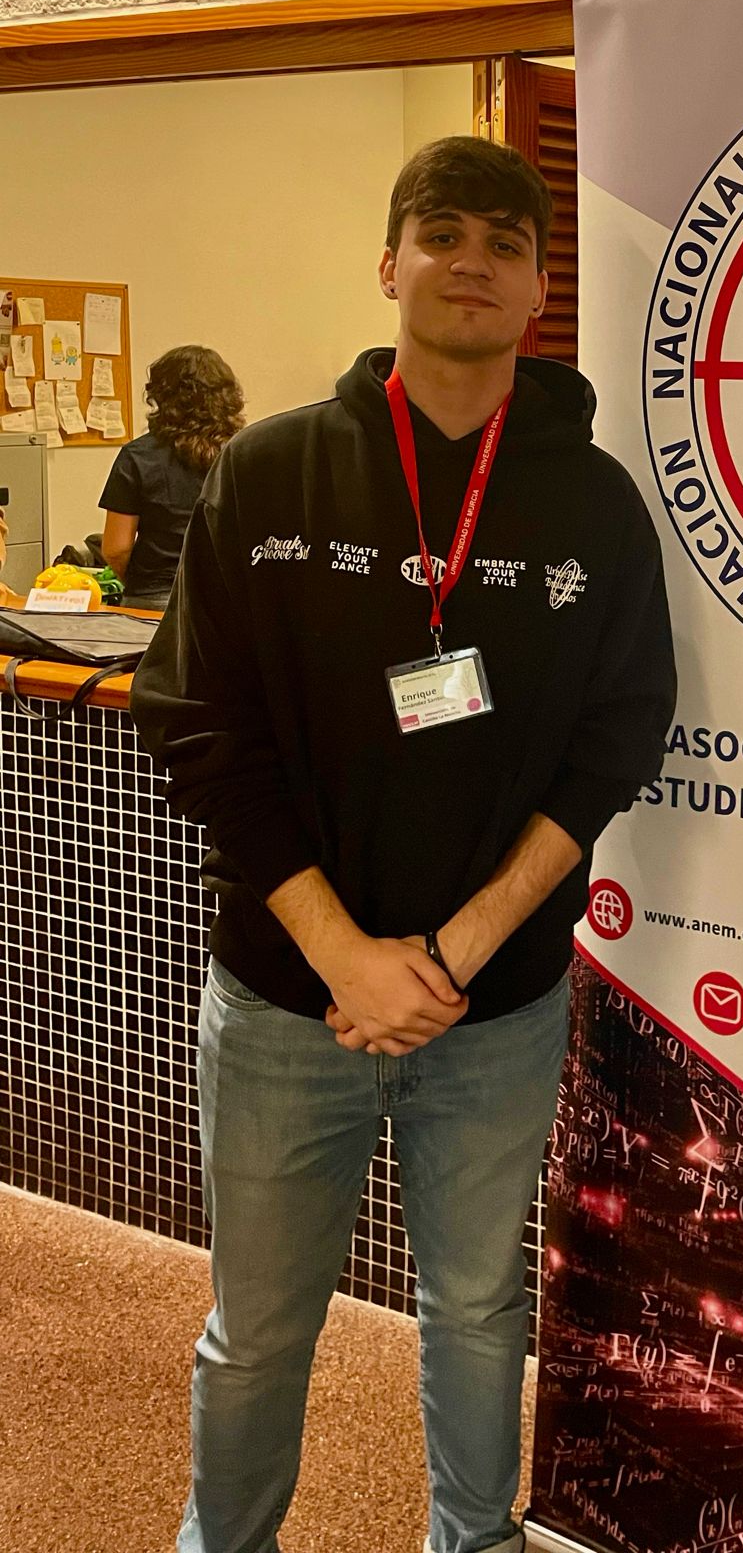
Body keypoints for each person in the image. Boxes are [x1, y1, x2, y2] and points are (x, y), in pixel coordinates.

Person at [131, 136, 676, 1553]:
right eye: (442, 232)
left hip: (494, 1005)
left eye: (507, 241)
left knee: (483, 1310)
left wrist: (453, 952)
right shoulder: (269, 474)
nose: (473, 260)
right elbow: (198, 724)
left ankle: (474, 1541)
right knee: (256, 1329)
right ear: (391, 263)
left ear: (543, 287)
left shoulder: (595, 505)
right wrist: (345, 955)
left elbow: (616, 740)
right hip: (282, 996)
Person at [100, 345, 245, 609]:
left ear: (161, 396)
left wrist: (138, 583)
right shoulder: (245, 452)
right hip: (227, 599)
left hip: (154, 597)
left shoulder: (137, 456)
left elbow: (115, 548)